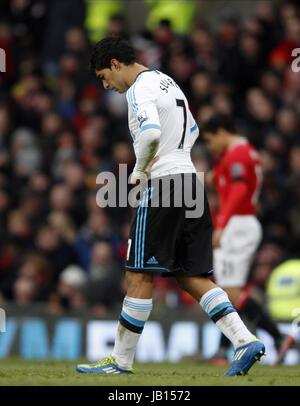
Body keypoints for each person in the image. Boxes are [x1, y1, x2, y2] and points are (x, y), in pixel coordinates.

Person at [76, 37, 265, 376]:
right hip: (190, 181)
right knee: (192, 276)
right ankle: (244, 339)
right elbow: (191, 129)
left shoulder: (138, 89)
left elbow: (149, 134)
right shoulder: (168, 81)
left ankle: (120, 361)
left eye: (104, 77)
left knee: (138, 273)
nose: (107, 86)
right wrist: (174, 155)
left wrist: (140, 170)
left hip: (163, 184)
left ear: (116, 64)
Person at [202, 114, 293, 365]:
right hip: (241, 223)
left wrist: (221, 225)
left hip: (238, 224)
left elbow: (240, 190)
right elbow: (220, 180)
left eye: (210, 140)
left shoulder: (238, 155)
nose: (210, 146)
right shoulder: (236, 156)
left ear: (221, 132)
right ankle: (227, 349)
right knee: (230, 292)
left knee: (228, 292)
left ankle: (274, 336)